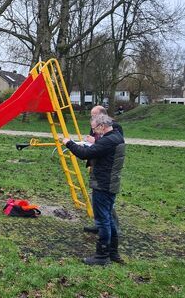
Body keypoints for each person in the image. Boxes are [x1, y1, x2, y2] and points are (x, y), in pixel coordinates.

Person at [62, 114, 125, 265]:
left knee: (103, 220)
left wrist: (69, 143)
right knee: (108, 218)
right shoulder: (116, 136)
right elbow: (97, 150)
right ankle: (112, 253)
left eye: (95, 128)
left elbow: (85, 154)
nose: (94, 132)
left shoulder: (108, 140)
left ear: (102, 126)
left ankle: (102, 256)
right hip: (110, 184)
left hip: (103, 185)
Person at [83, 105, 123, 237]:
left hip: (107, 170)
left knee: (106, 202)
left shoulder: (115, 127)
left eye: (94, 115)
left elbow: (110, 145)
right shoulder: (95, 125)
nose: (92, 118)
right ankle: (98, 223)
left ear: (102, 116)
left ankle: (114, 229)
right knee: (98, 201)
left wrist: (94, 141)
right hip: (97, 164)